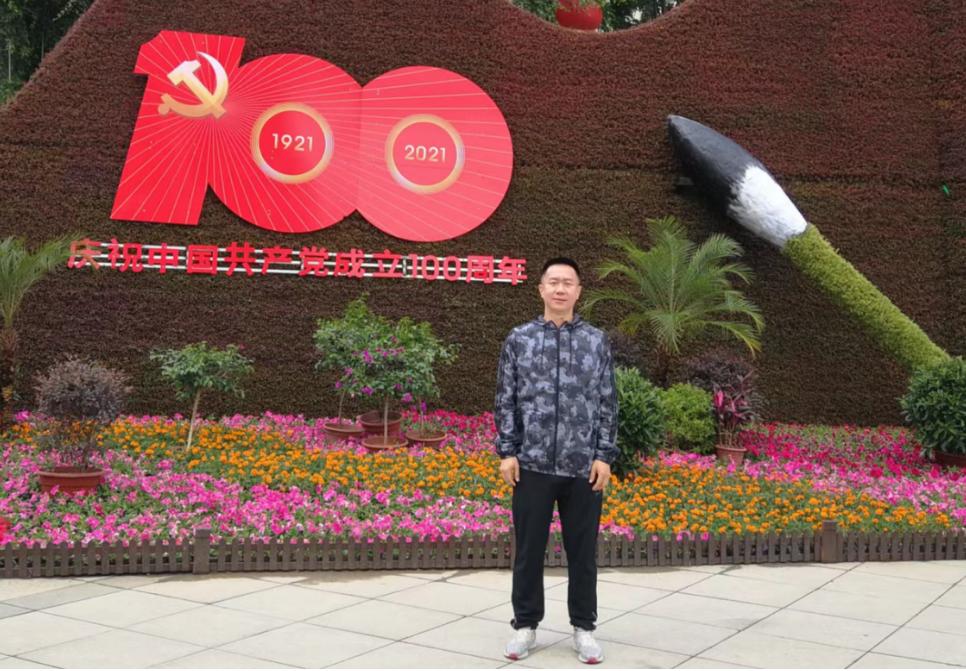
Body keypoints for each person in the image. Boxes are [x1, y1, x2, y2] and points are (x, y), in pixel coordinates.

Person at [495, 257, 618, 665]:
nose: (560, 289)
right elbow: (506, 399)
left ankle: (584, 628)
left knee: (582, 553)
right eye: (553, 282)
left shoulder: (596, 341)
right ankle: (525, 625)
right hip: (531, 464)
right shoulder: (520, 339)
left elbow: (607, 402)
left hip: (582, 466)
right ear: (541, 289)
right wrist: (507, 451)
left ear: (579, 291)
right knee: (528, 551)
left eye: (568, 282)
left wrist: (604, 455)